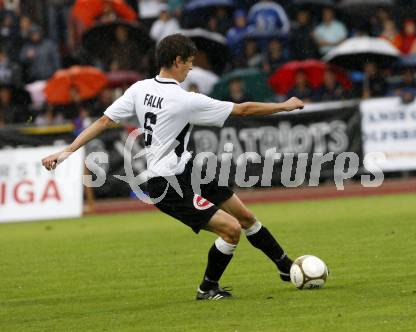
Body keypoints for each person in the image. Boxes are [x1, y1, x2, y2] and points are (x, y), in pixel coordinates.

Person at [42, 34, 304, 301]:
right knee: (232, 229)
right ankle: (207, 288)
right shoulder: (185, 100)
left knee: (245, 216)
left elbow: (102, 122)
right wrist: (284, 105)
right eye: (189, 62)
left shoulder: (139, 89)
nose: (191, 68)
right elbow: (243, 109)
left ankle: (285, 267)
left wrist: (67, 151)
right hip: (165, 184)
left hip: (187, 168)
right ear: (177, 60)